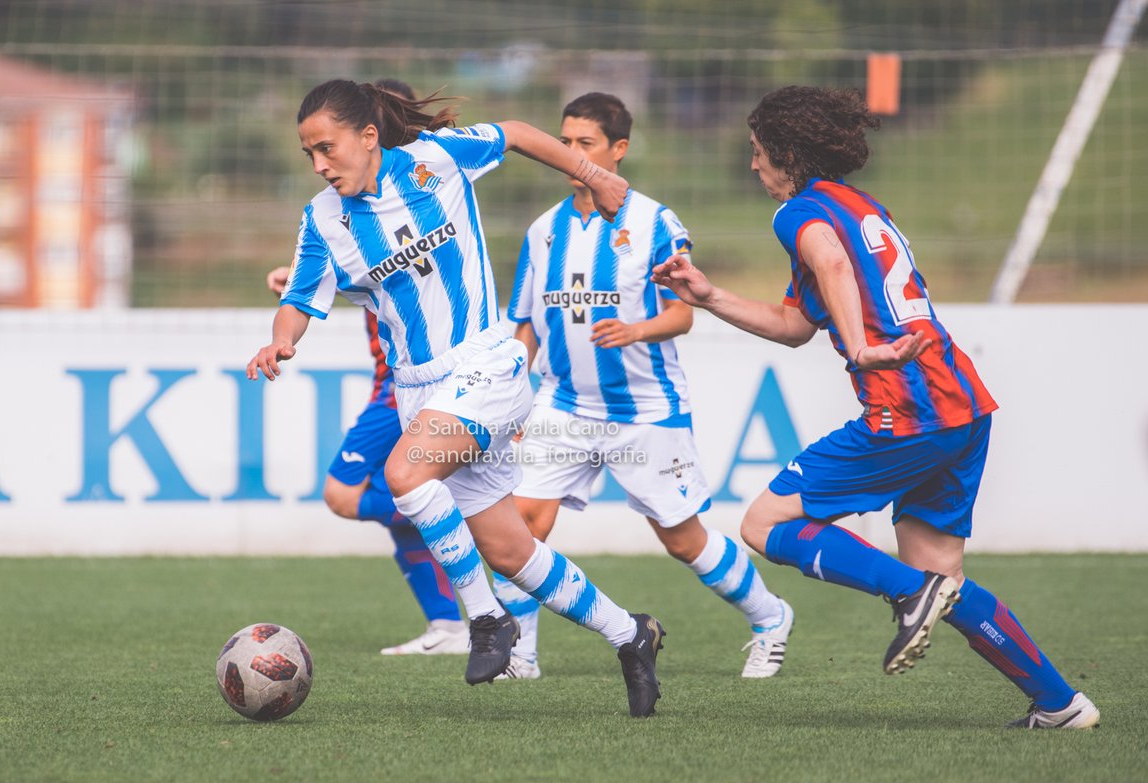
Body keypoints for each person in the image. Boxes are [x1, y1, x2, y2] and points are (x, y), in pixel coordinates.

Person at [652, 85, 1099, 730]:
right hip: (962, 404)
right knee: (940, 575)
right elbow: (794, 325)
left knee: (764, 525)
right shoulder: (859, 207)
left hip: (907, 408)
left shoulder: (799, 213)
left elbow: (831, 263)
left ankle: (912, 594)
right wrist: (710, 295)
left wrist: (860, 348)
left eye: (757, 151)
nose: (753, 165)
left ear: (787, 153)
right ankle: (1061, 704)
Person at [246, 79, 665, 717]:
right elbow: (300, 299)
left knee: (405, 474)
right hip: (419, 391)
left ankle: (486, 619)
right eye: (309, 154)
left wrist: (594, 175)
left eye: (327, 148)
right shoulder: (323, 219)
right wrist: (281, 340)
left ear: (368, 136)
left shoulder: (435, 159)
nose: (319, 165)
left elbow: (516, 133)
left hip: (486, 364)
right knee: (510, 553)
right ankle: (630, 634)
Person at [494, 92, 794, 682]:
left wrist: (634, 329)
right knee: (521, 523)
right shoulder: (543, 229)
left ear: (619, 149)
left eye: (585, 143)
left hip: (645, 409)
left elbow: (682, 315)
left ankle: (770, 616)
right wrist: (512, 400)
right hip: (563, 404)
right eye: (564, 141)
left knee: (682, 540)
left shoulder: (655, 222)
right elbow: (525, 324)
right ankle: (521, 655)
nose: (570, 152)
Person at [264, 263, 467, 657]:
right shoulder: (371, 248)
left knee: (342, 493)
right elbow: (384, 279)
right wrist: (313, 282)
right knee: (399, 497)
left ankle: (457, 514)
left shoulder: (388, 232)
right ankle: (448, 627)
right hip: (396, 383)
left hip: (405, 386)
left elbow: (400, 274)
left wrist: (312, 280)